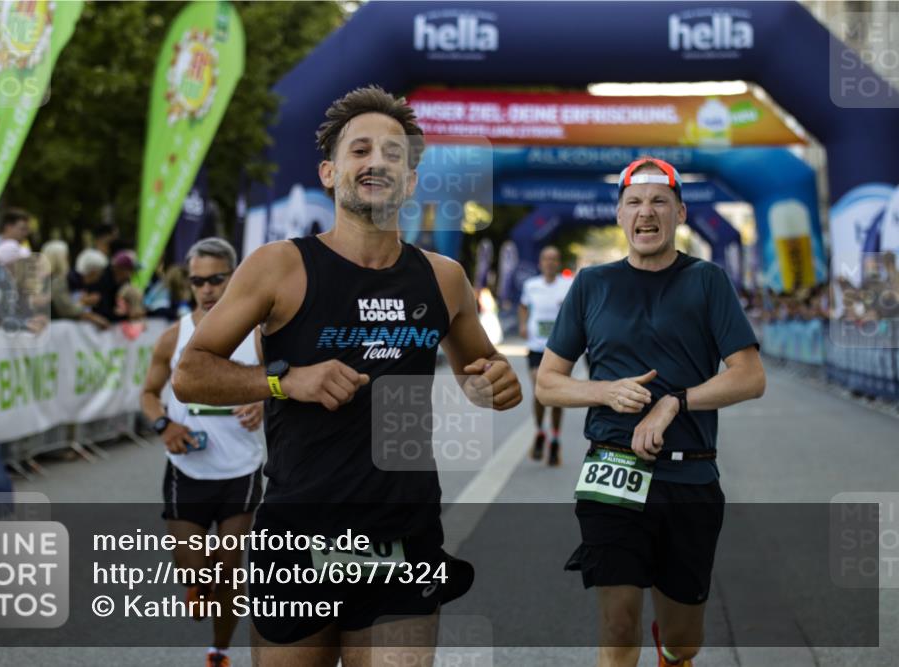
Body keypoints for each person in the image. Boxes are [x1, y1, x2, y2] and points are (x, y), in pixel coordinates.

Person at [173, 86, 522, 666]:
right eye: (360, 150)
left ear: (410, 180)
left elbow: (481, 374)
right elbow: (191, 373)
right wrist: (287, 382)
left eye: (393, 154)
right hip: (297, 532)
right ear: (330, 172)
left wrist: (498, 385)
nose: (377, 162)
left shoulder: (444, 278)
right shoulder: (280, 266)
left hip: (402, 533)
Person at [535, 156, 766, 667]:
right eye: (634, 202)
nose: (646, 212)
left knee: (683, 637)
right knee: (617, 624)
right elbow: (548, 383)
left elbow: (750, 377)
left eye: (659, 201)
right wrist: (604, 392)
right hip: (613, 469)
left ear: (680, 212)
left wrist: (674, 402)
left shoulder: (707, 281)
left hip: (690, 475)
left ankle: (672, 653)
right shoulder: (592, 284)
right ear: (618, 215)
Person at [140, 237, 265, 667]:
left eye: (217, 280)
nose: (207, 289)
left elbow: (285, 385)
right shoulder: (176, 335)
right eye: (198, 281)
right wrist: (164, 424)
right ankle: (199, 582)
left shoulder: (258, 335)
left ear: (234, 278)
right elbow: (148, 394)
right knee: (196, 572)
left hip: (241, 469)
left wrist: (263, 401)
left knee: (229, 566)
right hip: (187, 469)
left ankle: (219, 651)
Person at [518, 245, 573, 466]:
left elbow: (578, 311)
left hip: (559, 348)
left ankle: (556, 438)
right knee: (540, 391)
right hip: (536, 346)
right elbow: (523, 306)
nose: (550, 263)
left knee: (556, 396)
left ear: (558, 263)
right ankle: (540, 431)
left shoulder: (568, 285)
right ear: (540, 263)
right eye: (546, 259)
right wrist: (523, 324)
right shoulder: (531, 285)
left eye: (554, 259)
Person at [40, 240, 110, 329]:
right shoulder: (58, 280)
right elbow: (66, 309)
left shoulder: (48, 279)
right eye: (66, 256)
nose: (68, 259)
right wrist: (83, 303)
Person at [91, 249, 140, 322]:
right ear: (118, 268)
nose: (131, 274)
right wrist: (127, 316)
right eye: (130, 270)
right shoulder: (101, 282)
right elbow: (103, 312)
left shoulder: (123, 283)